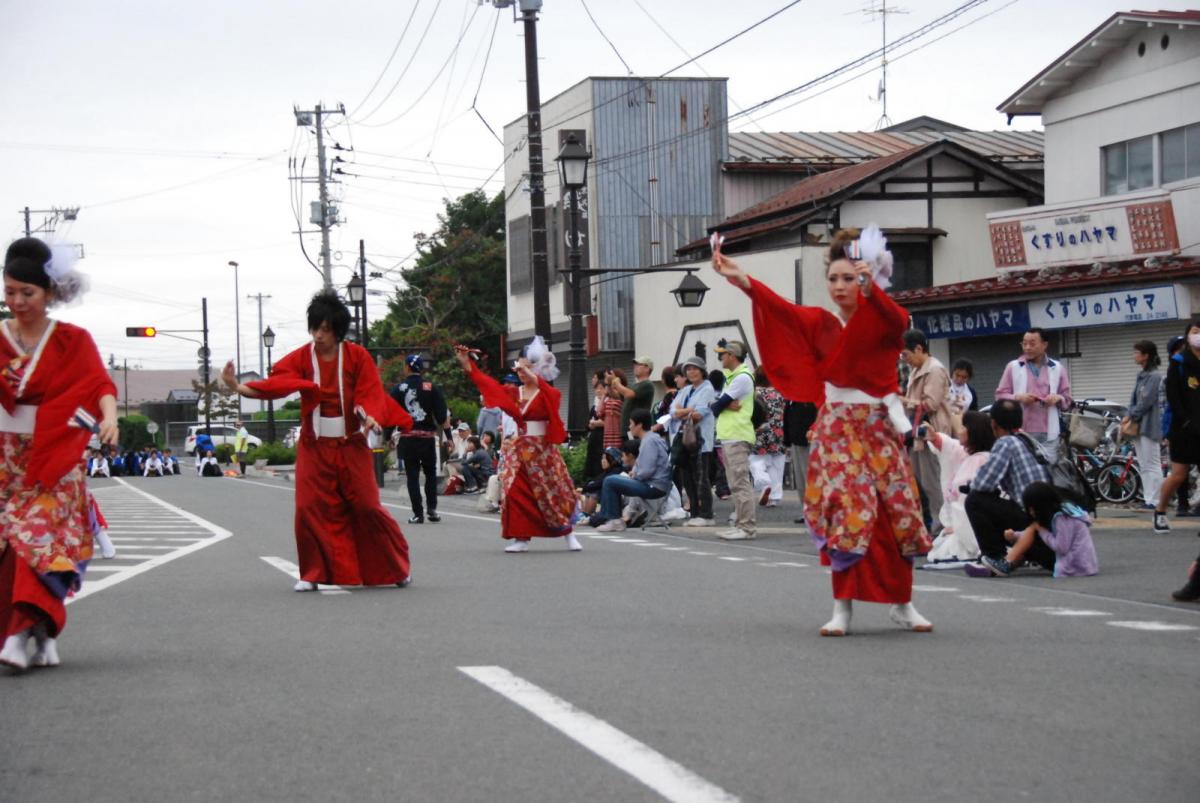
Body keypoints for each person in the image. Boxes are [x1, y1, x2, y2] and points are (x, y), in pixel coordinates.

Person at [713, 229, 933, 636]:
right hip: (837, 429)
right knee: (846, 513)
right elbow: (778, 309)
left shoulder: (883, 319)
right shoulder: (820, 323)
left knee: (893, 514)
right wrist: (740, 278)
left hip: (879, 429)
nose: (839, 286)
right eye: (833, 278)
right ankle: (842, 609)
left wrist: (872, 290)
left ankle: (902, 603)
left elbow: (895, 318)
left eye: (849, 278)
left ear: (869, 277)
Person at [222, 290, 413, 591]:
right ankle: (312, 573)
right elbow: (276, 386)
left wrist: (370, 417)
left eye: (325, 329)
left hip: (351, 443)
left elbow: (369, 393)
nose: (319, 335)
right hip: (315, 444)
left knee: (366, 506)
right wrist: (237, 387)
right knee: (308, 507)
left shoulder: (357, 357)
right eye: (315, 328)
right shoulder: (302, 357)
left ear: (338, 331)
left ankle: (394, 567)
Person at [0, 237, 119, 672]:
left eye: (27, 293)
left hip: (53, 459)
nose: (17, 301)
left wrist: (111, 417)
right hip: (4, 459)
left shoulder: (71, 339)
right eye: (9, 291)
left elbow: (99, 385)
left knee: (36, 541)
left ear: (49, 293)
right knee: (10, 548)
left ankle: (17, 634)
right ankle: (41, 631)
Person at [455, 338, 581, 554]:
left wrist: (534, 377)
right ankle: (521, 537)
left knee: (554, 492)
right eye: (519, 367)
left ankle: (568, 533)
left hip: (543, 451)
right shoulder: (514, 393)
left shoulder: (548, 393)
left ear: (538, 368)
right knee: (514, 492)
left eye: (527, 367)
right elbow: (487, 384)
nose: (521, 372)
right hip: (519, 450)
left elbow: (554, 403)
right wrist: (467, 363)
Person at [963, 399, 1055, 576]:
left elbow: (983, 484)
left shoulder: (1006, 443)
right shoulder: (1028, 440)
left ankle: (996, 557)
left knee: (975, 500)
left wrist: (971, 486)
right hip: (1051, 531)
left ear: (993, 423)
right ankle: (1017, 556)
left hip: (1035, 533)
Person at [982, 482, 1098, 578]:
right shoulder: (1060, 512)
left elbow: (1061, 547)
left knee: (1033, 532)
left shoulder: (1062, 518)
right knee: (1032, 530)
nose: (1031, 513)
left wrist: (1041, 531)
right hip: (1084, 564)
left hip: (1076, 566)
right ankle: (1005, 564)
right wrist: (1016, 535)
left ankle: (1006, 563)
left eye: (1032, 509)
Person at [901, 329, 954, 536]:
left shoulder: (935, 370)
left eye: (906, 355)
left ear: (919, 348)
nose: (905, 360)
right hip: (917, 432)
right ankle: (930, 524)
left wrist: (904, 401)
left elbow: (931, 403)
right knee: (920, 481)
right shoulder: (918, 369)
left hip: (932, 431)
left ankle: (942, 527)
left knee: (933, 482)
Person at [923, 411, 995, 564]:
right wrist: (935, 437)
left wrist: (958, 526)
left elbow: (967, 502)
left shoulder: (981, 460)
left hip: (969, 523)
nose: (959, 431)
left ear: (974, 433)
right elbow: (950, 447)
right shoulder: (968, 453)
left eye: (963, 428)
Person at [995, 327, 1072, 461]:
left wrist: (1057, 398)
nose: (1027, 347)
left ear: (1045, 345)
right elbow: (1000, 395)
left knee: (1048, 473)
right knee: (1025, 473)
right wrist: (1018, 397)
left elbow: (1068, 400)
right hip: (1020, 431)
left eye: (1032, 343)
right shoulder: (1013, 367)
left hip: (1049, 433)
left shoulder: (1057, 368)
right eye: (1024, 343)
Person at [391, 354, 449, 524]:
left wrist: (389, 434)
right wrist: (449, 436)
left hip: (408, 438)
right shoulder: (431, 387)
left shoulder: (399, 388)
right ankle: (432, 508)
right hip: (427, 439)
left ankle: (418, 513)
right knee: (430, 474)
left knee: (412, 476)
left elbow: (389, 411)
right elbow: (442, 415)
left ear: (407, 367)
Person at [595, 410, 674, 532]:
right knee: (613, 480)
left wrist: (635, 475)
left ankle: (614, 520)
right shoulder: (653, 438)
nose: (629, 426)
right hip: (657, 485)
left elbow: (647, 470)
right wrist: (636, 472)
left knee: (610, 481)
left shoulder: (649, 441)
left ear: (640, 425)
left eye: (631, 423)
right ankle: (614, 519)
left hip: (653, 486)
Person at [1155, 319, 1200, 533]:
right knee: (1179, 474)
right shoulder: (1179, 362)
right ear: (1188, 335)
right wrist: (1186, 420)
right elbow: (1173, 396)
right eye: (1195, 331)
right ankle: (1160, 511)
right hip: (1183, 427)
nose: (1198, 335)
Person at [710, 340, 757, 540]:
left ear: (732, 355)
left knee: (740, 483)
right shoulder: (733, 377)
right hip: (731, 435)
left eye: (723, 354)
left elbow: (717, 406)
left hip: (738, 435)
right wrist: (724, 403)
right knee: (735, 483)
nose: (721, 358)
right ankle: (740, 523)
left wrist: (722, 403)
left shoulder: (742, 378)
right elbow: (717, 404)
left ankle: (746, 527)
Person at [672, 357, 716, 527]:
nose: (691, 372)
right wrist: (689, 410)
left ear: (702, 370)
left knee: (701, 477)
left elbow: (701, 413)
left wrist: (684, 412)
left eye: (694, 368)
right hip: (684, 440)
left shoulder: (707, 389)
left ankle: (706, 514)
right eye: (688, 369)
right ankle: (695, 513)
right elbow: (673, 411)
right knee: (688, 478)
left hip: (700, 440)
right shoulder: (687, 389)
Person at [1122, 340, 1164, 510]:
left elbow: (1145, 401)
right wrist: (1129, 414)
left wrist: (1130, 415)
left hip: (1150, 424)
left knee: (1152, 462)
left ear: (1146, 355)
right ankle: (1149, 498)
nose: (1134, 355)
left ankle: (1156, 499)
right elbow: (1135, 400)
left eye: (1137, 352)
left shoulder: (1155, 376)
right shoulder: (1142, 375)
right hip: (1139, 425)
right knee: (1144, 463)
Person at [749, 366, 787, 508]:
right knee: (777, 465)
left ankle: (764, 482)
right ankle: (774, 497)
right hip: (779, 431)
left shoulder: (754, 394)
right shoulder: (781, 393)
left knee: (756, 460)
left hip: (759, 430)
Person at [783, 399, 818, 525]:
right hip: (795, 439)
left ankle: (814, 511)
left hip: (808, 440)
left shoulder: (809, 397)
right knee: (800, 480)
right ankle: (806, 510)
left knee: (809, 477)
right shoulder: (792, 398)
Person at [612, 356, 655, 437]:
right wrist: (610, 383)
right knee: (627, 448)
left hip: (637, 429)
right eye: (635, 365)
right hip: (627, 428)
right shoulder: (634, 385)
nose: (635, 367)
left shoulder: (647, 384)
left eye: (639, 365)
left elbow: (628, 394)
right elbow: (619, 395)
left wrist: (616, 382)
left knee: (633, 448)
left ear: (647, 368)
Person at [579, 446, 625, 517]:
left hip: (619, 499)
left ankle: (586, 515)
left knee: (595, 491)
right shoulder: (607, 471)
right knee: (590, 487)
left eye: (605, 458)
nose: (602, 461)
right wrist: (584, 487)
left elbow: (599, 484)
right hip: (610, 497)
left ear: (612, 459)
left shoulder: (617, 470)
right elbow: (594, 480)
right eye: (602, 458)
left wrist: (584, 488)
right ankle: (584, 514)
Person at [584, 370, 608, 479]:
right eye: (597, 388)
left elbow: (607, 421)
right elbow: (588, 421)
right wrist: (591, 424)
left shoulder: (609, 402)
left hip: (603, 437)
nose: (598, 391)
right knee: (592, 463)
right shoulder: (595, 404)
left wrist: (596, 423)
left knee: (600, 465)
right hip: (594, 437)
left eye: (601, 388)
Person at [600, 368, 626, 450]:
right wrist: (604, 395)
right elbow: (599, 411)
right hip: (608, 436)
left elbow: (618, 396)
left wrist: (609, 384)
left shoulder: (623, 394)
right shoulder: (609, 398)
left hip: (618, 434)